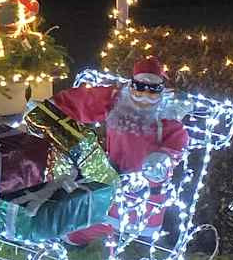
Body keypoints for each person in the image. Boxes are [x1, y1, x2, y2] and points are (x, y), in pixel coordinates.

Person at [48, 57, 188, 244]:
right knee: (92, 220)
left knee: (136, 227)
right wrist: (50, 108)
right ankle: (82, 236)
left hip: (146, 185)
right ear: (131, 85)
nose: (145, 93)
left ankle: (128, 245)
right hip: (111, 175)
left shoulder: (167, 115)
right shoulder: (116, 101)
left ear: (161, 89)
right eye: (139, 86)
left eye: (153, 89)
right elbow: (84, 101)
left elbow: (177, 142)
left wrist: (164, 158)